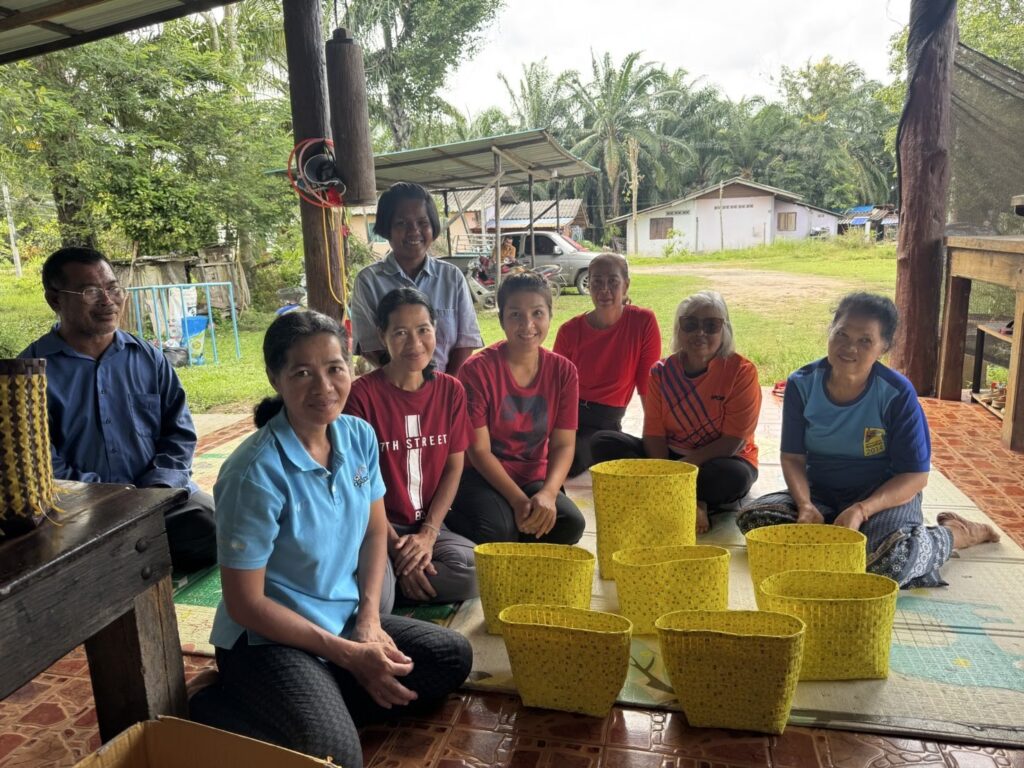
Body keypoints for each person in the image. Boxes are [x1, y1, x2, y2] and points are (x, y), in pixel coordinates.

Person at [191, 310, 471, 766]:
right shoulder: (253, 472)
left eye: (334, 368)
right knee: (339, 757)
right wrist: (348, 655)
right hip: (267, 640)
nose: (323, 387)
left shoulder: (357, 435)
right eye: (302, 373)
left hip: (341, 619)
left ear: (351, 369)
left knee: (451, 657)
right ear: (275, 378)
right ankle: (216, 707)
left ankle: (318, 701)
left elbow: (375, 529)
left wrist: (368, 623)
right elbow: (245, 605)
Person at [738, 292, 999, 587]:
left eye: (865, 341)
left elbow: (914, 476)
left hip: (881, 498)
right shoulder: (802, 384)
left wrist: (862, 509)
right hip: (821, 493)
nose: (849, 347)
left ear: (883, 347)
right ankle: (841, 537)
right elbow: (793, 458)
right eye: (842, 334)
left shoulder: (896, 393)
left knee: (886, 564)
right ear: (831, 330)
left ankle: (953, 534)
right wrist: (805, 505)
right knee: (755, 520)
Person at [20, 246, 215, 570]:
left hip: (157, 500)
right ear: (55, 300)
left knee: (216, 526)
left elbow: (178, 432)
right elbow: (39, 463)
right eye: (90, 291)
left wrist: (156, 488)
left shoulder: (148, 357)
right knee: (44, 555)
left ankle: (121, 558)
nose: (108, 301)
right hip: (79, 513)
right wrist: (110, 498)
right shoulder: (31, 373)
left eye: (112, 288)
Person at [344, 288, 478, 605]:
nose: (415, 344)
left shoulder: (450, 391)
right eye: (401, 333)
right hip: (375, 527)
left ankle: (389, 580)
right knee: (380, 603)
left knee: (476, 571)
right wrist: (394, 546)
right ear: (382, 335)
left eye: (423, 330)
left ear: (435, 330)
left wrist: (428, 534)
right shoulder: (361, 396)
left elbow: (453, 466)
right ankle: (391, 580)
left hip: (427, 526)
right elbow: (357, 482)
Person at [591, 290, 760, 534]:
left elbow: (732, 442)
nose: (699, 333)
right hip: (670, 457)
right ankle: (688, 498)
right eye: (690, 324)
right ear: (678, 329)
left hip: (720, 461)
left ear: (724, 330)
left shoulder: (741, 372)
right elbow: (654, 434)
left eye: (711, 325)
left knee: (732, 477)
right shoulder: (661, 372)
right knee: (603, 442)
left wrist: (676, 471)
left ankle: (684, 497)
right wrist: (665, 469)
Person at [447, 272, 586, 545]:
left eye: (537, 313)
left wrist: (548, 493)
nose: (528, 325)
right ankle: (450, 519)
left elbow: (563, 445)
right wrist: (518, 500)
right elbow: (479, 451)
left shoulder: (563, 371)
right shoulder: (477, 370)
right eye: (515, 315)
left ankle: (518, 528)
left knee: (571, 524)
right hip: (480, 475)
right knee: (498, 530)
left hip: (533, 475)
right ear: (501, 319)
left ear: (549, 316)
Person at [351, 182, 483, 375]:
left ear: (433, 227)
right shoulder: (369, 282)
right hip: (393, 392)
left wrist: (444, 387)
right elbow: (369, 345)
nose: (414, 231)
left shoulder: (452, 277)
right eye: (401, 223)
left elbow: (465, 341)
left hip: (445, 391)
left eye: (423, 223)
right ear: (387, 228)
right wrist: (409, 384)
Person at [553, 253, 661, 476]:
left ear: (626, 285)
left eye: (613, 281)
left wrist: (656, 444)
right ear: (588, 284)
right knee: (543, 454)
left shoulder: (643, 322)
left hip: (605, 421)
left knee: (575, 458)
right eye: (597, 282)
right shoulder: (569, 330)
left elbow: (647, 387)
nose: (604, 290)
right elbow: (555, 389)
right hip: (569, 414)